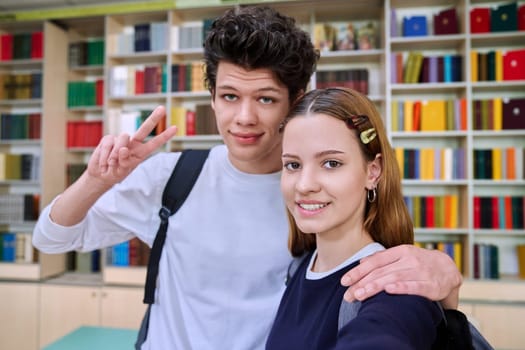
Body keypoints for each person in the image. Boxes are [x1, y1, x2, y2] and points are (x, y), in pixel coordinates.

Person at [33, 6, 461, 349]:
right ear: (213, 99)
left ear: (296, 100)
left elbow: (373, 285)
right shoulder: (174, 176)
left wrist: (443, 275)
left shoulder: (316, 201)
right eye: (230, 97)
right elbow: (50, 239)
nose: (244, 118)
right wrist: (96, 181)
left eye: (266, 98)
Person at [266, 87, 443, 349]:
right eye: (293, 165)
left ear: (373, 171)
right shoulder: (301, 266)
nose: (304, 185)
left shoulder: (394, 287)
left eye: (331, 163)